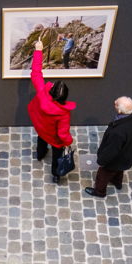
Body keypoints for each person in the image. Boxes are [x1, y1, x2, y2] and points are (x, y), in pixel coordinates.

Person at [28, 40, 76, 183]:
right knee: (57, 156)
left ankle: (40, 155)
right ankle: (56, 174)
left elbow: (36, 72)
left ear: (52, 90)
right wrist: (69, 142)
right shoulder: (63, 113)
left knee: (41, 141)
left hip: (41, 129)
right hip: (54, 139)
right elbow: (63, 134)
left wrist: (38, 50)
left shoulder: (42, 92)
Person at [84, 96, 132, 198]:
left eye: (116, 103)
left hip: (115, 160)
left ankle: (99, 191)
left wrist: (101, 161)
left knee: (103, 175)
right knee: (119, 169)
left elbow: (111, 151)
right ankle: (117, 182)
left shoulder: (118, 133)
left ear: (119, 111)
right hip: (126, 155)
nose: (115, 101)